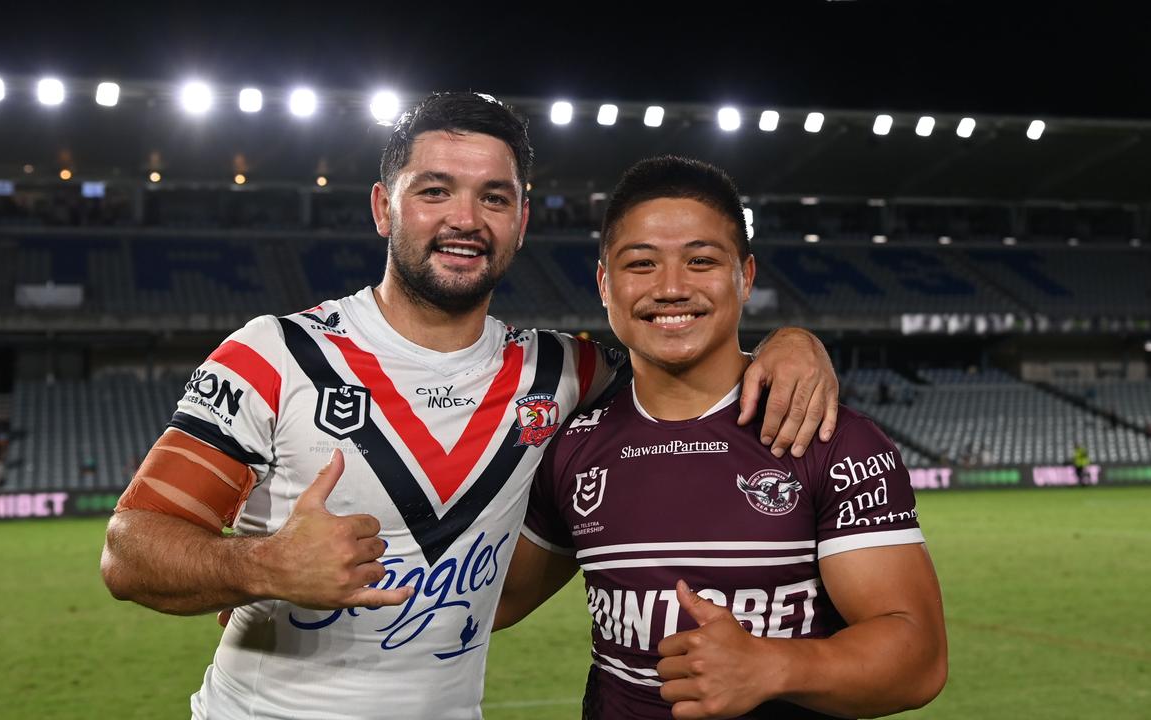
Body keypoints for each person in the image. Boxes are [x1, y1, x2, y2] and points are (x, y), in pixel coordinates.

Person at [99, 93, 839, 719]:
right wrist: (261, 565)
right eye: (435, 190)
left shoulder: (566, 369)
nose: (466, 218)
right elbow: (130, 549)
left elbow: (687, 360)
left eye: (494, 197)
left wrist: (792, 340)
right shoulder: (274, 355)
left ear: (521, 220)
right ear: (385, 208)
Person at [497, 156, 947, 719]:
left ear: (747, 276)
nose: (670, 287)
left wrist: (773, 666)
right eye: (640, 264)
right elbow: (501, 599)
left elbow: (919, 655)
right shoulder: (572, 442)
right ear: (604, 285)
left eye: (701, 260)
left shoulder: (830, 436)